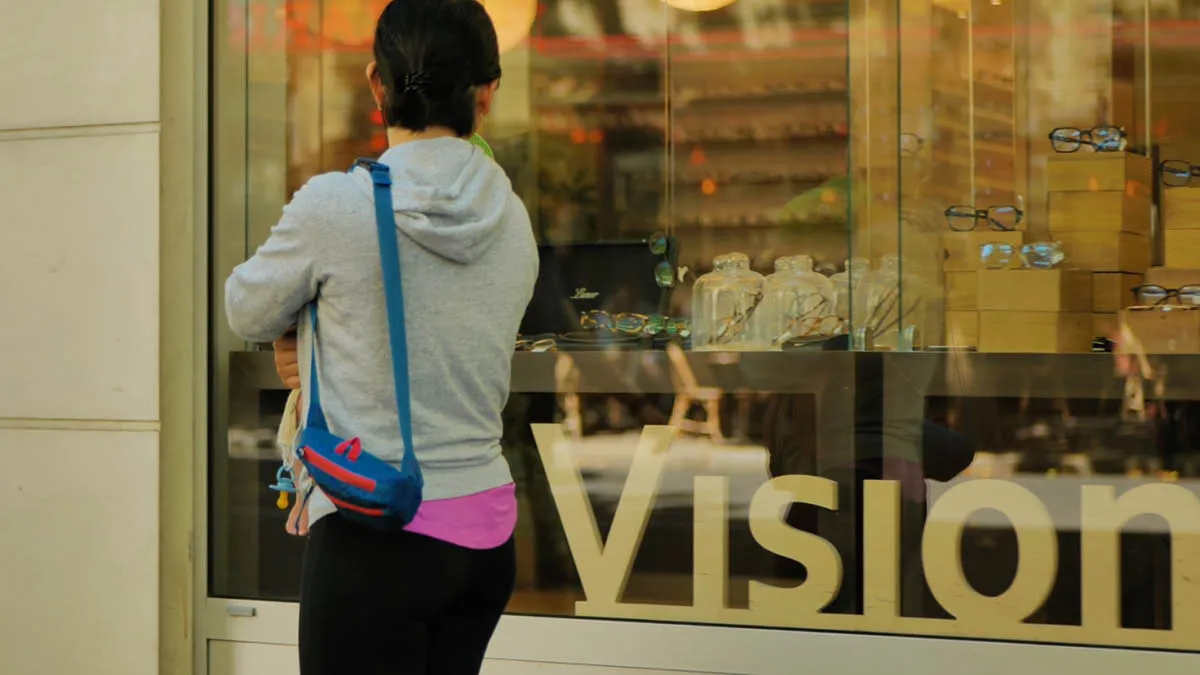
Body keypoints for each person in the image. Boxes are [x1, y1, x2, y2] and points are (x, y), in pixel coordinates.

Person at [223, 0, 538, 672]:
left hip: (377, 526)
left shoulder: (336, 205)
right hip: (486, 534)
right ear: (487, 96)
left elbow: (244, 310)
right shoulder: (513, 217)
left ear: (376, 83)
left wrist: (314, 321)